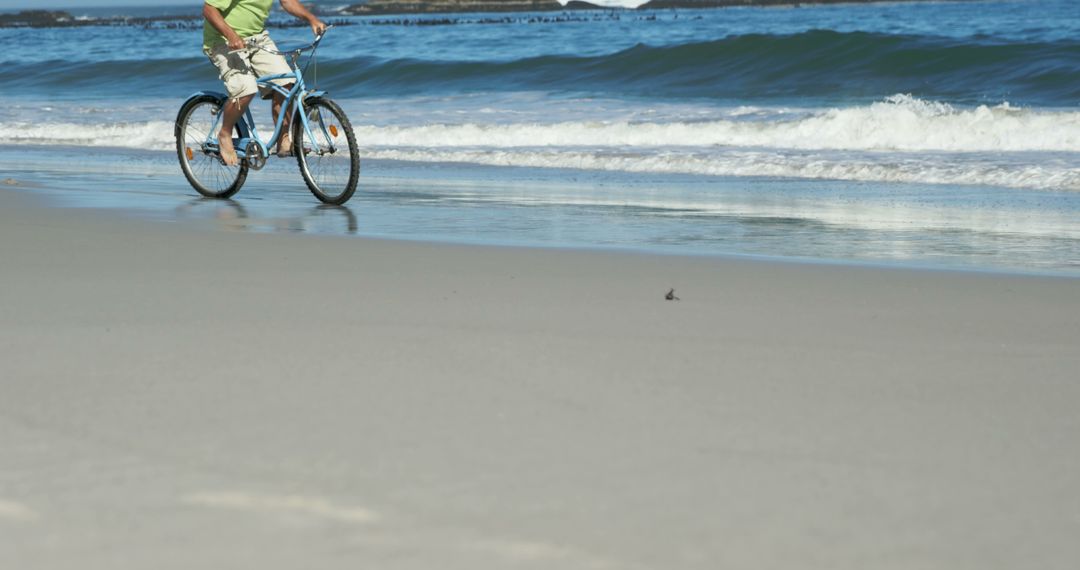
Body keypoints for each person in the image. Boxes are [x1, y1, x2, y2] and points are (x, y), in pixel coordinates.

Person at [202, 0, 326, 166]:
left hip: (257, 38)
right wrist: (232, 35)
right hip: (223, 40)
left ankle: (283, 139)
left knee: (286, 82)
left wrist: (312, 19)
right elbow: (209, 10)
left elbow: (288, 2)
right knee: (246, 89)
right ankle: (224, 134)